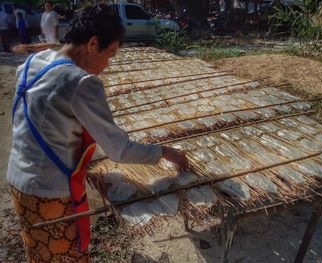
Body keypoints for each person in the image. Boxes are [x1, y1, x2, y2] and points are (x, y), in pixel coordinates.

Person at [8, 4, 188, 263]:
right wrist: (165, 152)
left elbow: (39, 123)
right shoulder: (81, 82)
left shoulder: (32, 62)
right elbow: (120, 150)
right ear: (92, 43)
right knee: (66, 257)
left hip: (19, 182)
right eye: (110, 54)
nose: (107, 65)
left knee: (39, 254)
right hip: (49, 192)